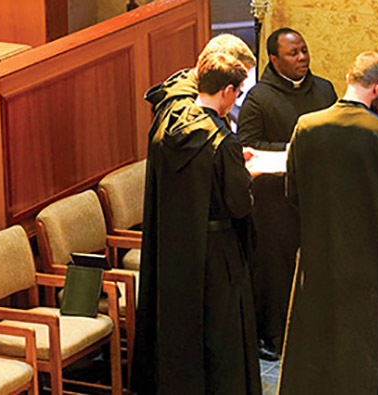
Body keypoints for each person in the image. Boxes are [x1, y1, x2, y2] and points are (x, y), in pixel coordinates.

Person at [277, 52, 378, 395]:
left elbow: (293, 194)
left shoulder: (306, 127)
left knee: (318, 345)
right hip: (372, 261)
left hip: (319, 255)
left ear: (348, 77)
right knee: (369, 350)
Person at [133, 51, 261, 395]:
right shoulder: (222, 141)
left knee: (181, 334)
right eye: (238, 91)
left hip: (175, 247)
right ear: (227, 91)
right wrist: (246, 174)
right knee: (221, 340)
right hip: (217, 256)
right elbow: (238, 205)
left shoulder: (165, 125)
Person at [237, 27, 337, 361]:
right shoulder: (259, 97)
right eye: (294, 54)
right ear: (274, 59)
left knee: (318, 264)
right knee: (276, 269)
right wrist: (297, 150)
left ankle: (316, 329)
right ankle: (274, 334)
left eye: (305, 51)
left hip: (316, 196)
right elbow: (247, 146)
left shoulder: (323, 89)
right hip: (273, 200)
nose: (303, 58)